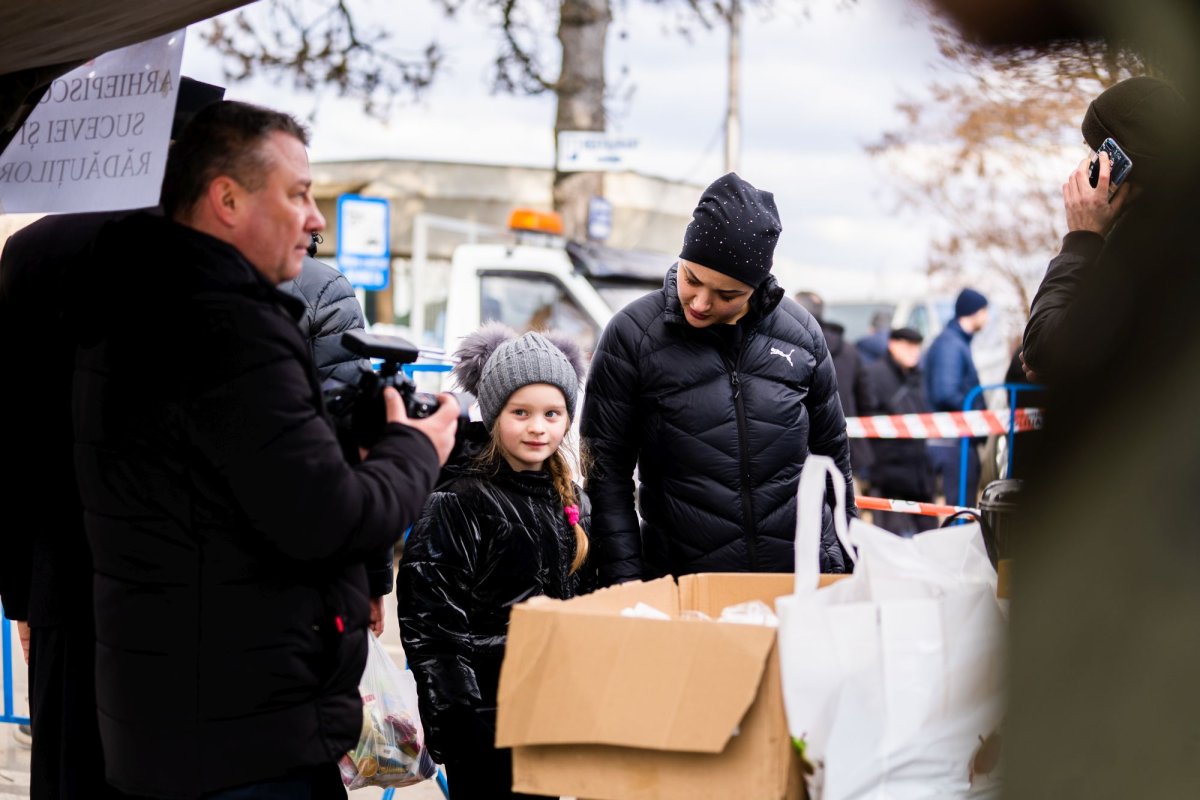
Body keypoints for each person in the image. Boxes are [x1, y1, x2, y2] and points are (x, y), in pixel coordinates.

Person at [70, 100, 461, 799]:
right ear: (227, 199)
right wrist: (415, 448)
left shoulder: (131, 301)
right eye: (298, 194)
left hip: (173, 714)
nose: (314, 218)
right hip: (244, 734)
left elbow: (240, 483)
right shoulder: (232, 330)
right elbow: (327, 517)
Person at [0, 77, 224, 799]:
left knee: (72, 761)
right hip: (185, 564)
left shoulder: (34, 248)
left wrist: (20, 593)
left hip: (63, 562)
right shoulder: (203, 250)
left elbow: (15, 434)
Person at [580, 172, 856, 586]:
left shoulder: (802, 336)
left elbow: (833, 458)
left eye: (727, 295)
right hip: (684, 588)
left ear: (757, 285)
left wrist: (843, 561)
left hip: (797, 585)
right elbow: (606, 478)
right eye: (692, 279)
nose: (701, 302)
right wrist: (626, 583)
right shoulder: (632, 335)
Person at [397, 324, 593, 799]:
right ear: (492, 412)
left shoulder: (573, 502)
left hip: (549, 717)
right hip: (484, 721)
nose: (537, 427)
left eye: (552, 413)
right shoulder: (460, 501)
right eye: (520, 412)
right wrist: (458, 720)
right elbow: (432, 624)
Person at [1021, 76, 1189, 384]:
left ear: (1122, 165)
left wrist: (1081, 238)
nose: (1088, 166)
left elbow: (1042, 348)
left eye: (1096, 154)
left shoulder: (1145, 248)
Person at [861, 328, 937, 536]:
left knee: (928, 537)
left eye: (917, 347)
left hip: (919, 471)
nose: (914, 352)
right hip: (889, 473)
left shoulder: (916, 376)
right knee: (890, 539)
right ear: (892, 345)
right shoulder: (875, 374)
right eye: (908, 346)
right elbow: (867, 417)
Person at [795, 289, 874, 484]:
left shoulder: (789, 347)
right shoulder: (849, 350)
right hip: (846, 447)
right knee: (846, 500)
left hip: (802, 451)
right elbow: (866, 399)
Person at [924, 287, 988, 504]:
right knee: (958, 513)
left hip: (957, 441)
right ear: (974, 312)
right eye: (984, 311)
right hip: (952, 444)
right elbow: (945, 392)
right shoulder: (950, 345)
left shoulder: (957, 342)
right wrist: (978, 414)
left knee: (962, 510)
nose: (987, 317)